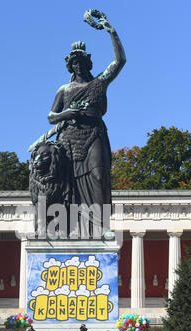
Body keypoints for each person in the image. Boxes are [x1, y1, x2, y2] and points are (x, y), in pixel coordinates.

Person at [46, 14, 126, 227]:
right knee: (70, 184)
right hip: (70, 139)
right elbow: (51, 117)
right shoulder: (64, 90)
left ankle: (102, 227)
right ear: (70, 67)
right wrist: (67, 114)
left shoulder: (100, 82)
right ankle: (73, 226)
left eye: (81, 62)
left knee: (99, 176)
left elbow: (120, 61)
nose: (78, 66)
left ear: (87, 63)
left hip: (94, 133)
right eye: (74, 63)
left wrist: (111, 31)